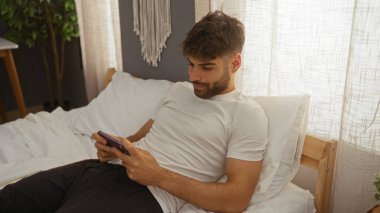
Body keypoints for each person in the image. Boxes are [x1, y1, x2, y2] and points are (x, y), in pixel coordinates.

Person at [0, 11, 268, 213]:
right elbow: (139, 137)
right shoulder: (177, 91)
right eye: (190, 64)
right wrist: (116, 147)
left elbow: (237, 198)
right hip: (96, 171)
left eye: (206, 67)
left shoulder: (246, 114)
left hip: (148, 196)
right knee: (9, 198)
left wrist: (158, 176)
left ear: (235, 62)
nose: (193, 76)